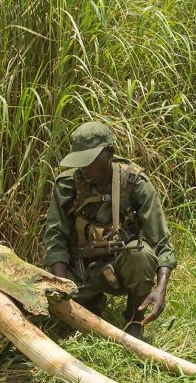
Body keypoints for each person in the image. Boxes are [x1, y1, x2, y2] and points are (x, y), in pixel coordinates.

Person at [43, 122, 177, 341]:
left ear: (110, 153)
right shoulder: (67, 185)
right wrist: (61, 287)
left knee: (141, 256)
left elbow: (161, 242)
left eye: (90, 162)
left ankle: (134, 319)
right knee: (50, 297)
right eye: (80, 162)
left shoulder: (134, 183)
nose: (84, 169)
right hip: (82, 270)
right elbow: (54, 239)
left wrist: (161, 289)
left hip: (121, 269)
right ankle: (88, 303)